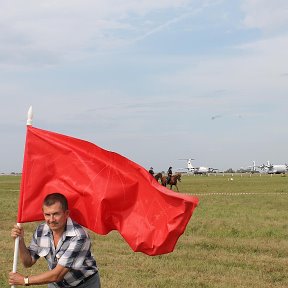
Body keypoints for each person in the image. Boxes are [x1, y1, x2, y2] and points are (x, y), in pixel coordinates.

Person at [9, 193, 100, 288]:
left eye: (56, 214)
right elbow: (28, 262)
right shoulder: (41, 230)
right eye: (47, 214)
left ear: (66, 214)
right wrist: (20, 241)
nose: (51, 219)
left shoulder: (79, 236)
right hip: (56, 284)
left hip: (83, 283)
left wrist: (25, 280)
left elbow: (58, 275)